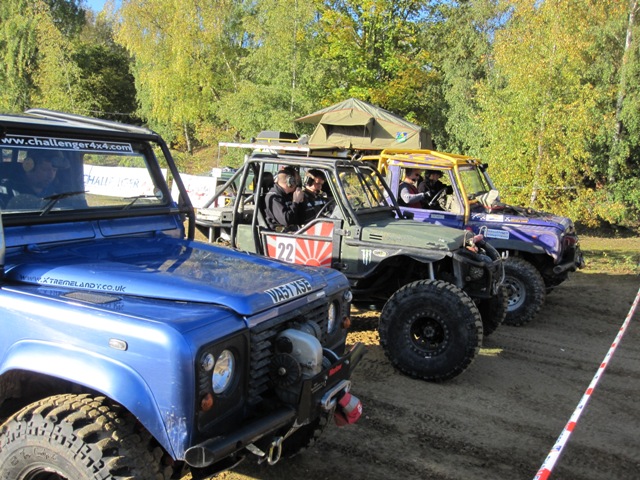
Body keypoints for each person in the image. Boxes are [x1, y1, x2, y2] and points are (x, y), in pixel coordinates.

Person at [264, 166, 306, 231]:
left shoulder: (288, 195)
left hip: (294, 231)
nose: (298, 184)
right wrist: (295, 201)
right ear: (291, 182)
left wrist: (301, 202)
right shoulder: (273, 198)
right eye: (296, 181)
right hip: (280, 234)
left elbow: (301, 218)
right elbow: (286, 220)